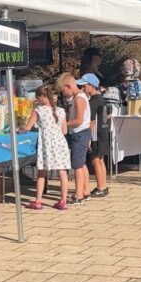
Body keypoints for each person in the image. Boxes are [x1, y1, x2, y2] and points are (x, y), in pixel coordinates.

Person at [21, 85, 70, 210]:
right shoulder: (61, 111)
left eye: (38, 97)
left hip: (46, 143)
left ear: (42, 97)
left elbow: (27, 128)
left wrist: (20, 129)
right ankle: (63, 200)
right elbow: (64, 130)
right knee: (62, 171)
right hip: (60, 143)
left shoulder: (38, 110)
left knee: (42, 171)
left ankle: (38, 200)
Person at [57, 73, 92, 205]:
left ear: (68, 86)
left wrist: (64, 123)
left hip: (79, 133)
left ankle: (79, 194)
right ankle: (86, 190)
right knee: (82, 163)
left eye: (63, 91)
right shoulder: (79, 97)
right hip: (81, 132)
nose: (64, 94)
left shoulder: (79, 99)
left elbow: (78, 120)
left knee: (77, 165)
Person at [79, 73, 110, 198]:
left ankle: (100, 187)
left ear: (92, 86)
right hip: (103, 132)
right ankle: (103, 185)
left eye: (84, 86)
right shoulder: (101, 99)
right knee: (101, 160)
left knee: (95, 160)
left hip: (96, 134)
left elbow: (91, 121)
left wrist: (88, 139)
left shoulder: (93, 101)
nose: (82, 88)